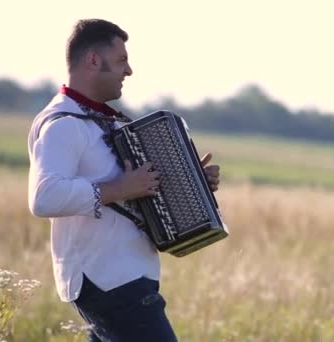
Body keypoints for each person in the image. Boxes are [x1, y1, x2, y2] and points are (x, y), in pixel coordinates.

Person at [27, 18, 220, 341]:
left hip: (125, 274)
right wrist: (118, 189)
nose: (128, 71)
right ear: (93, 60)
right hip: (108, 279)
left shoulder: (105, 121)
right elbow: (43, 197)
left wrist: (192, 181)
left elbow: (136, 189)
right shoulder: (62, 125)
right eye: (121, 61)